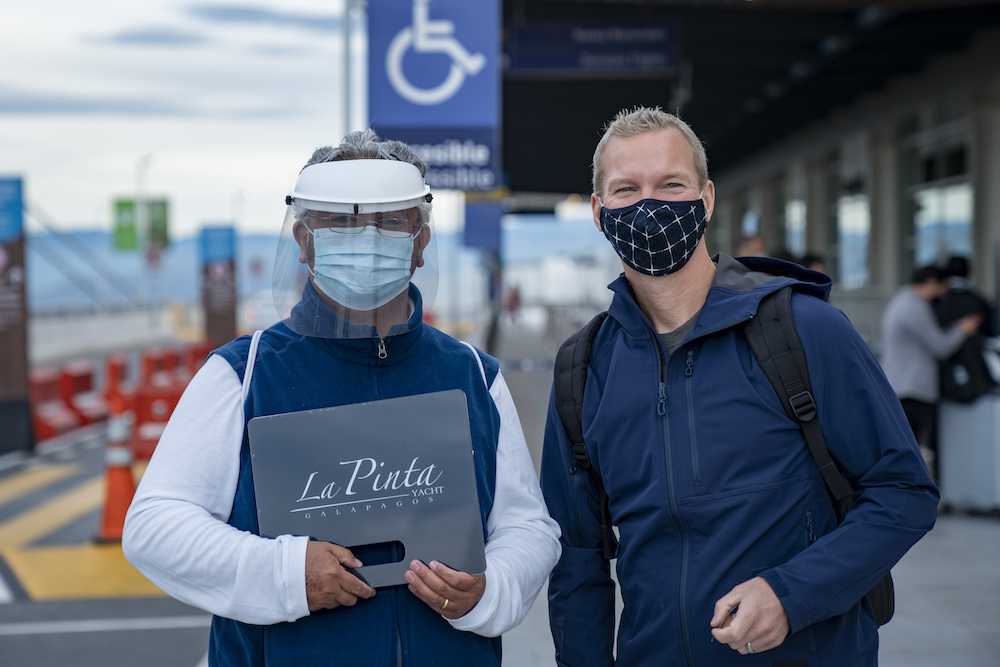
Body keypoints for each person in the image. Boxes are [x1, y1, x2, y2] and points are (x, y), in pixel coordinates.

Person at [123, 130, 561, 666]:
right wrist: (285, 574)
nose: (368, 238)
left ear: (420, 243)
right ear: (305, 242)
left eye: (390, 221)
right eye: (342, 222)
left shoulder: (473, 375)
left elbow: (527, 528)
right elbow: (155, 528)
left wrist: (489, 593)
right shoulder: (243, 375)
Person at [540, 106, 939, 666]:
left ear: (705, 200)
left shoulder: (805, 332)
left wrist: (791, 594)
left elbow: (904, 493)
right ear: (599, 212)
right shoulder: (582, 370)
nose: (649, 206)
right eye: (626, 190)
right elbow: (577, 558)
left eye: (670, 184)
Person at [881, 264, 982, 480]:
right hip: (912, 389)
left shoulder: (901, 300)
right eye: (943, 287)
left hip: (902, 386)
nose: (945, 293)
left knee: (905, 448)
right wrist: (961, 330)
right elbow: (941, 346)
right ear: (931, 283)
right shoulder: (914, 307)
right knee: (911, 450)